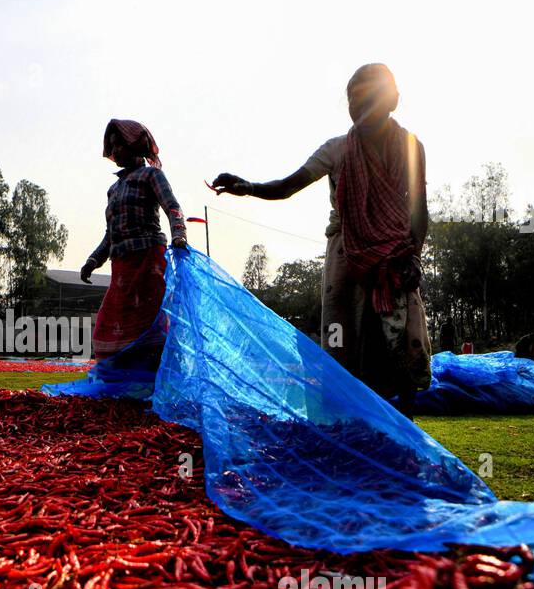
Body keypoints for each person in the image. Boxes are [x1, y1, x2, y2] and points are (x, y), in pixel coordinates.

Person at [210, 64, 432, 413]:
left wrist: (413, 257)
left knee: (398, 342)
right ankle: (344, 426)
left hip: (395, 258)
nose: (359, 107)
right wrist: (249, 187)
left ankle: (405, 430)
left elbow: (419, 210)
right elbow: (288, 185)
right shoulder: (338, 150)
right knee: (342, 339)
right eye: (353, 100)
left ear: (394, 100)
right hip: (349, 255)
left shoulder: (410, 147)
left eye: (368, 97)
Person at [79, 119, 187, 363]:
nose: (115, 151)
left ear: (135, 145)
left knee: (150, 329)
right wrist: (93, 260)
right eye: (113, 146)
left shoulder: (151, 176)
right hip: (122, 269)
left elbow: (172, 207)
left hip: (148, 263)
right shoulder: (113, 189)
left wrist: (179, 234)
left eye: (120, 145)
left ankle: (151, 386)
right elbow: (111, 233)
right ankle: (123, 386)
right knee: (107, 330)